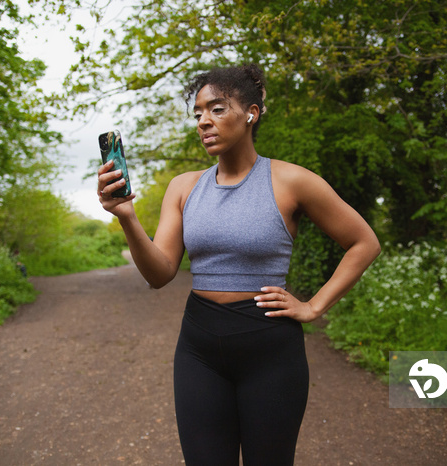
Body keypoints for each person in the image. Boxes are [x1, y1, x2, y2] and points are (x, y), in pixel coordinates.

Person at [97, 64, 381, 466]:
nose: (203, 122)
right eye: (197, 114)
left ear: (251, 112)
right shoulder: (184, 187)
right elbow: (160, 274)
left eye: (216, 109)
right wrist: (126, 215)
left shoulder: (290, 181)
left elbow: (364, 242)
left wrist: (314, 306)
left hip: (270, 351)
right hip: (199, 349)